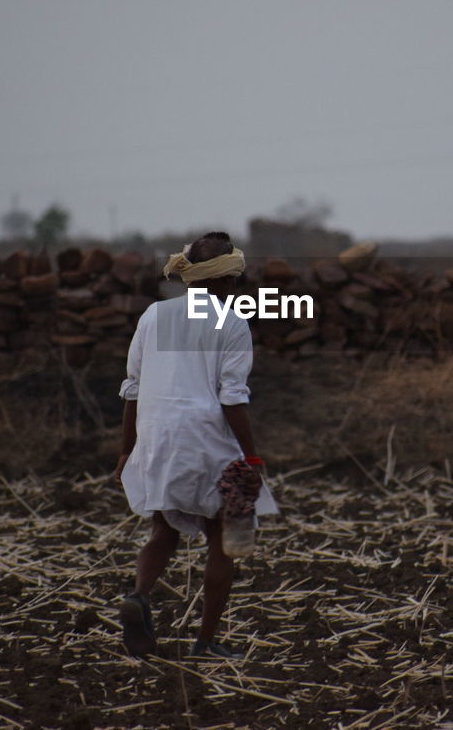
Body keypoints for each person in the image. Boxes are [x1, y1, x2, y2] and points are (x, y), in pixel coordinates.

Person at [114, 231, 278, 660]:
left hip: (157, 440)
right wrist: (253, 457)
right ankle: (205, 642)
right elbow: (233, 398)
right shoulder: (232, 323)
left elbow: (132, 388)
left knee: (164, 529)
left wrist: (126, 450)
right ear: (224, 282)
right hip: (208, 443)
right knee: (223, 537)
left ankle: (140, 595)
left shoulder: (154, 315)